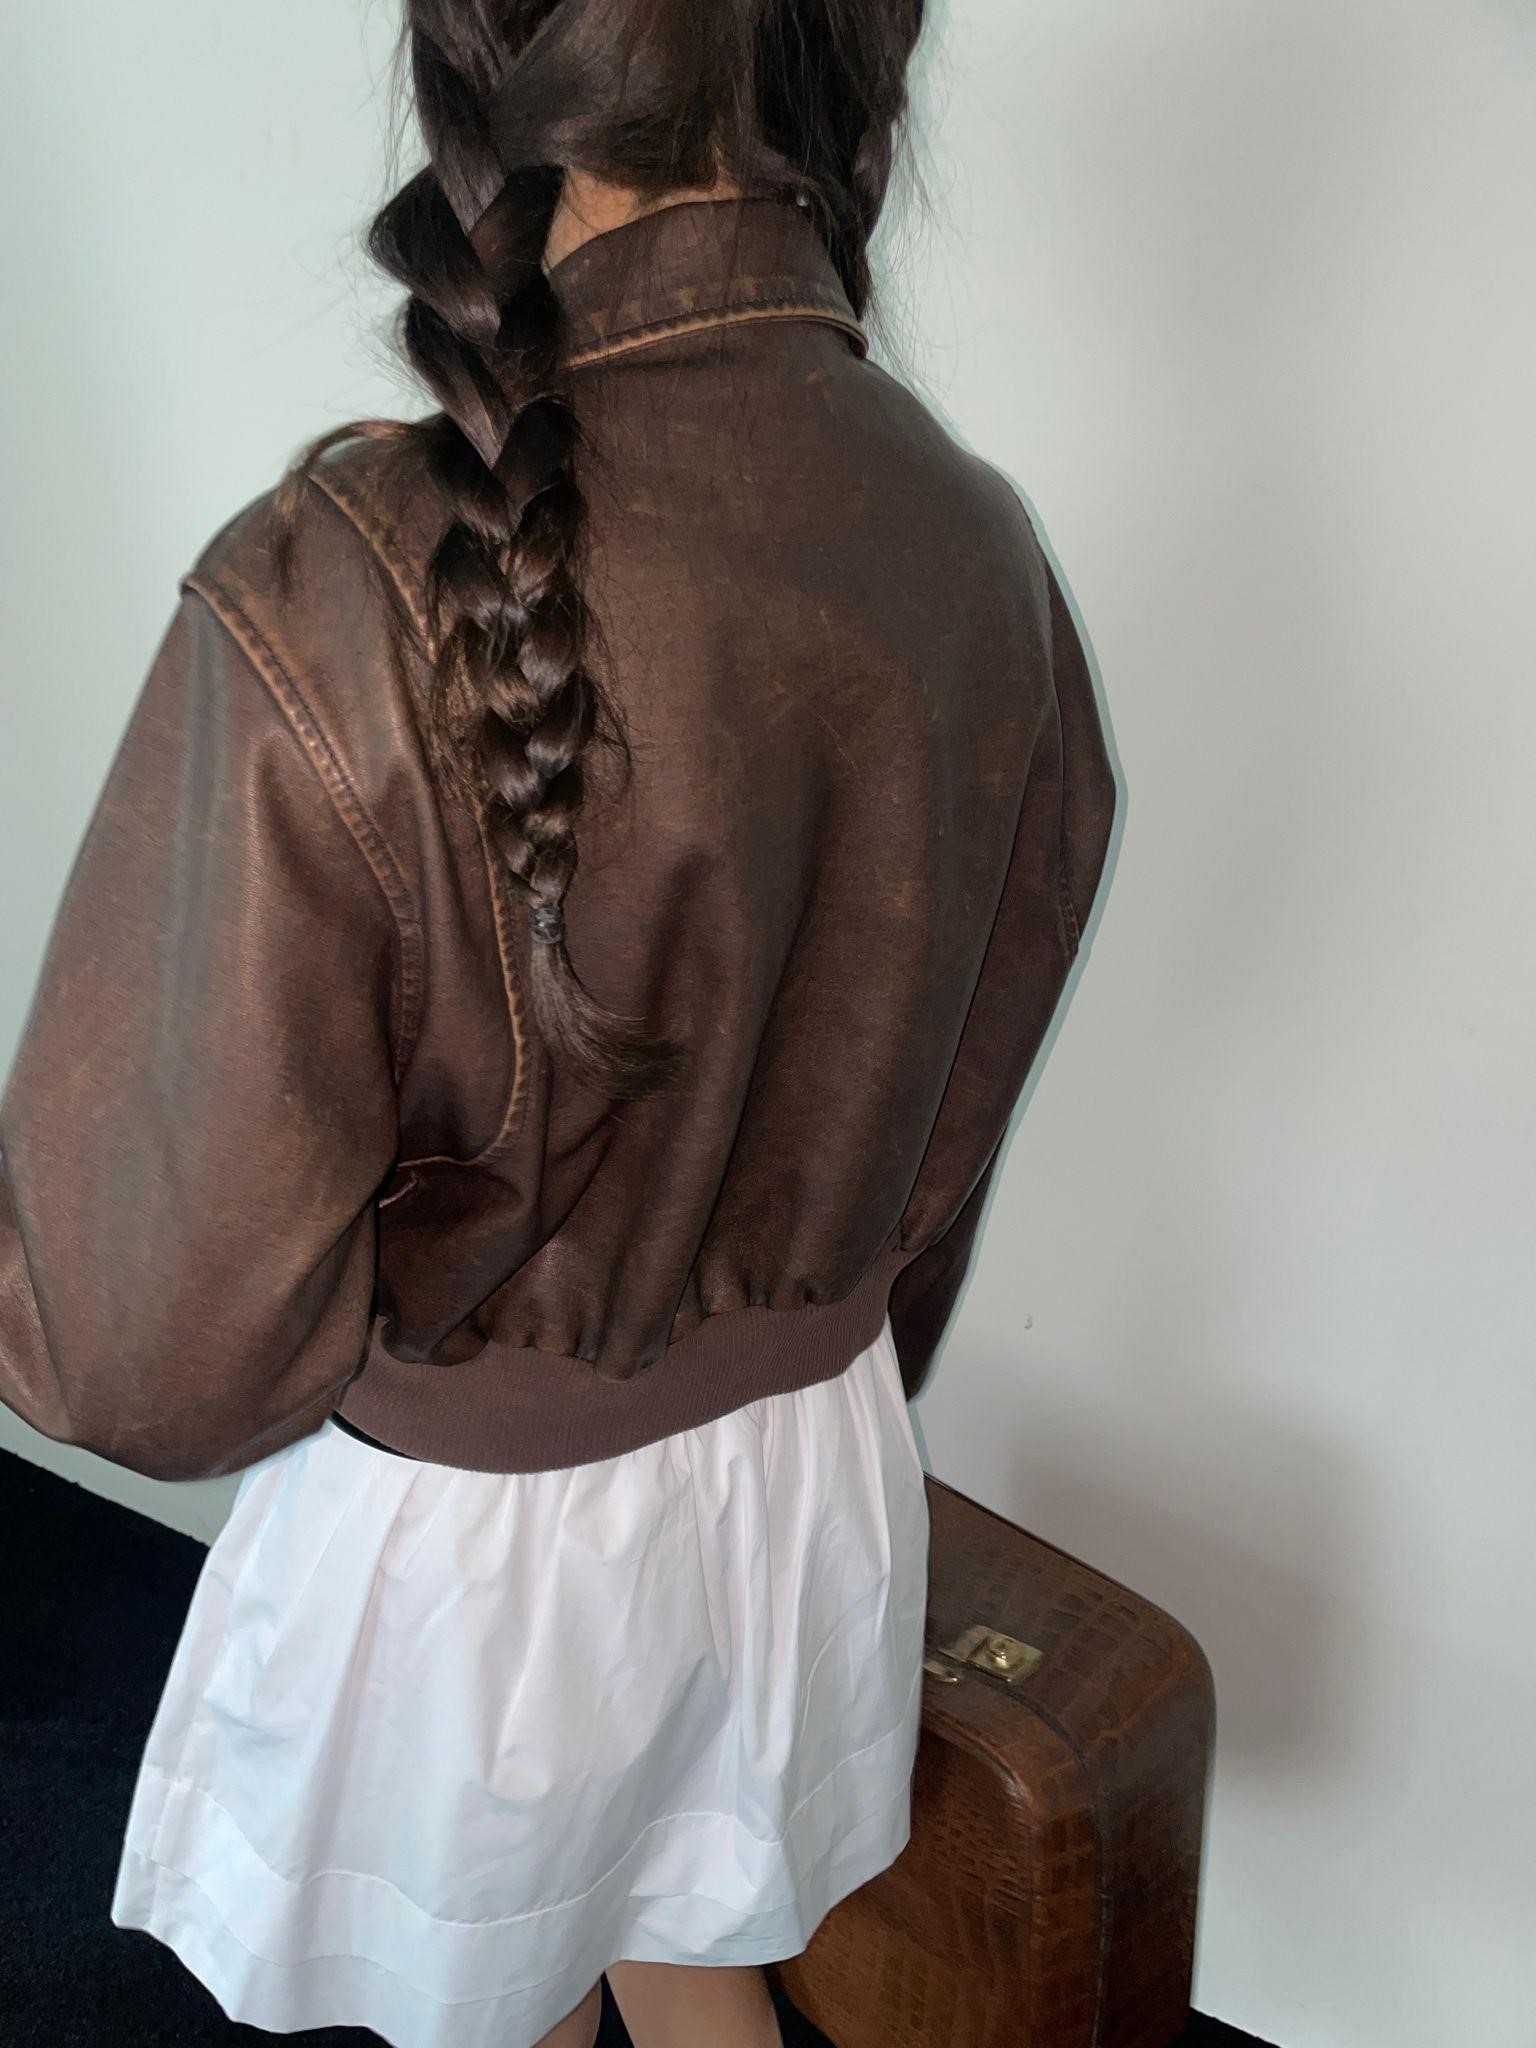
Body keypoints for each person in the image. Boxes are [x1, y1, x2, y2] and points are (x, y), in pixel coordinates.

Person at [0, 3, 1117, 2045]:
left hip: (482, 1564)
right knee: (688, 1931)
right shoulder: (973, 535)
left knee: (506, 1982)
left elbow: (140, 1347)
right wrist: (791, 1335)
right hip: (802, 1475)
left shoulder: (344, 583)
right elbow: (955, 1103)